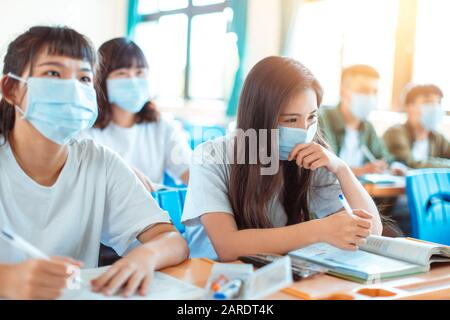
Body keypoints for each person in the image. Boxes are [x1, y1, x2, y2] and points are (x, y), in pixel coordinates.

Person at [0, 26, 188, 300]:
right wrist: (7, 280)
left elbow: (171, 240)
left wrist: (145, 256)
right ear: (12, 88)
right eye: (53, 73)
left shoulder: (100, 162)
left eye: (84, 78)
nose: (73, 89)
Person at [182, 57, 382, 261]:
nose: (304, 130)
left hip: (276, 275)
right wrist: (320, 230)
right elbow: (227, 246)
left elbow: (372, 233)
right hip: (214, 279)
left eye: (311, 117)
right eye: (291, 120)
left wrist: (341, 169)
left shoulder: (311, 158)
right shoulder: (211, 157)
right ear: (260, 118)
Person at [82, 38, 192, 188]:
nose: (133, 81)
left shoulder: (162, 128)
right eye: (122, 73)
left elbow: (192, 175)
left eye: (139, 72)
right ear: (101, 80)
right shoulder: (86, 131)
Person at [319, 65, 396, 177]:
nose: (370, 96)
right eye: (363, 90)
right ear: (343, 92)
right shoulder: (321, 119)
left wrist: (388, 166)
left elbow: (384, 158)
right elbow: (323, 168)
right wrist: (363, 171)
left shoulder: (367, 126)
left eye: (374, 91)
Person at [384, 83, 449, 168]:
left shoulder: (437, 138)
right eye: (428, 102)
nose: (435, 107)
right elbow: (409, 164)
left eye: (438, 102)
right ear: (409, 107)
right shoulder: (395, 133)